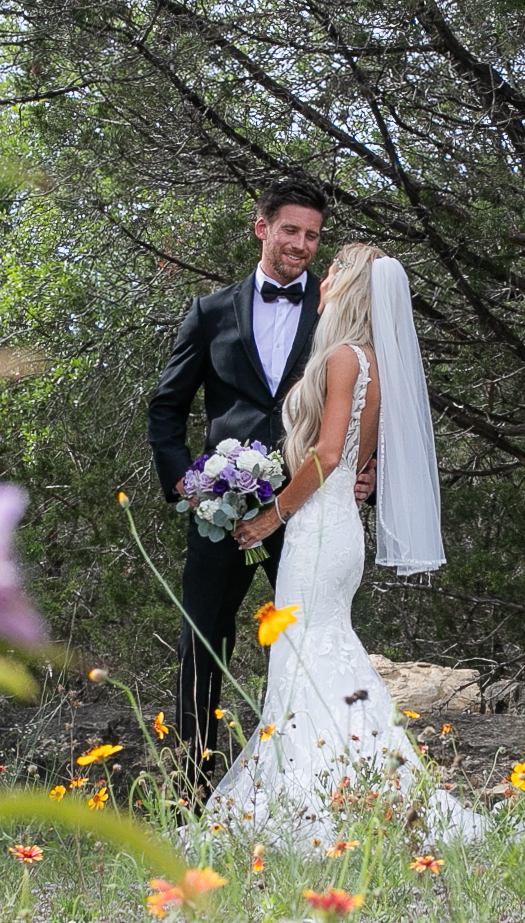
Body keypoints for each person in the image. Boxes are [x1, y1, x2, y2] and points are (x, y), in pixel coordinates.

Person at [213, 244, 486, 846]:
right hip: (339, 526)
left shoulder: (341, 357)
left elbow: (330, 454)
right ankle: (355, 786)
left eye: (335, 267)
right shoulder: (373, 363)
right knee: (319, 655)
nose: (325, 275)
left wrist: (270, 516)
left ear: (353, 285)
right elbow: (357, 465)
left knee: (305, 656)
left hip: (315, 528)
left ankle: (317, 800)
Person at [147, 180, 369, 793]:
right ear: (262, 228)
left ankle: (294, 791)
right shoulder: (211, 312)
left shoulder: (333, 316)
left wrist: (361, 470)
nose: (301, 244)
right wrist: (187, 485)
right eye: (290, 230)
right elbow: (166, 408)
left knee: (303, 646)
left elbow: (358, 404)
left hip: (308, 507)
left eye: (312, 235)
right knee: (203, 642)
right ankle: (193, 792)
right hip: (222, 508)